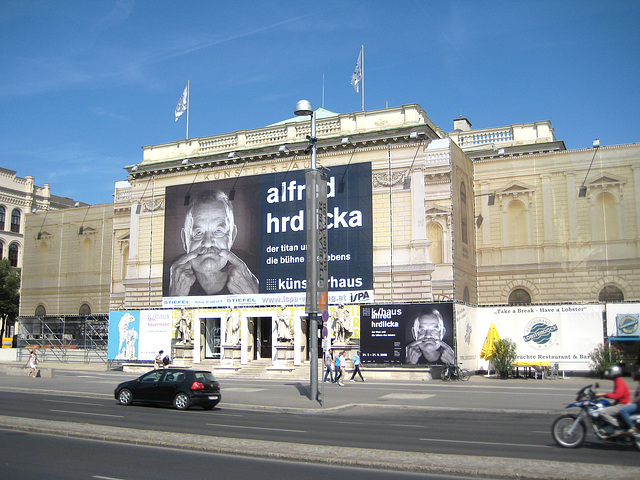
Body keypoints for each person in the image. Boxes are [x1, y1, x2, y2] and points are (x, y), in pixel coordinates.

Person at [169, 190, 258, 296]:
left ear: (232, 236)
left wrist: (255, 297)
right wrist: (174, 299)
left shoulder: (258, 268)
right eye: (198, 233)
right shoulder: (169, 277)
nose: (207, 243)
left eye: (218, 231)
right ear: (184, 240)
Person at [595, 364, 630, 433]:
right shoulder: (617, 381)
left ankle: (617, 426)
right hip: (620, 404)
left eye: (610, 372)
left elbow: (617, 396)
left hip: (621, 405)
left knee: (602, 412)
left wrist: (603, 394)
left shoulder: (619, 382)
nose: (608, 373)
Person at [618, 365, 640, 435]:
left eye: (636, 374)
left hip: (638, 405)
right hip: (637, 404)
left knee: (623, 410)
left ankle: (632, 427)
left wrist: (631, 403)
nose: (634, 375)